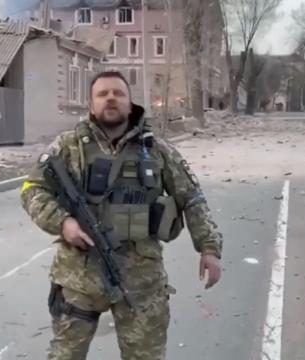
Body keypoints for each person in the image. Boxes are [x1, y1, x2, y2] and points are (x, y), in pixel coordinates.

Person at [20, 71, 223, 360]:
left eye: (118, 93)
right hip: (78, 277)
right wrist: (63, 223)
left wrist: (209, 248)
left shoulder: (156, 150)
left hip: (142, 281)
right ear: (91, 106)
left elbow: (192, 197)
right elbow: (32, 190)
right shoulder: (67, 147)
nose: (110, 98)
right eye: (102, 94)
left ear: (130, 103)